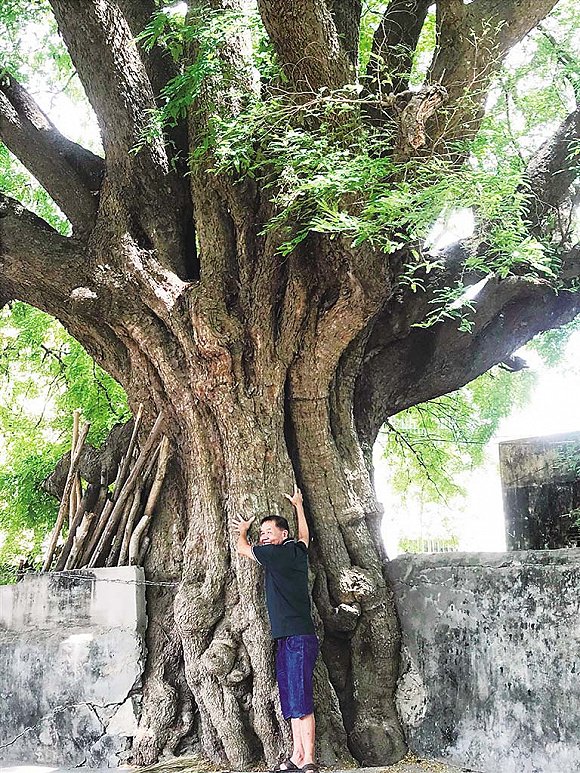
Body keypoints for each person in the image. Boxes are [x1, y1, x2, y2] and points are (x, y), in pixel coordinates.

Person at [235, 486, 319, 773]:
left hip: (296, 637)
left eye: (269, 531)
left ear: (283, 535)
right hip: (289, 637)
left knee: (301, 699)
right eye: (262, 532)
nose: (264, 536)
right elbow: (305, 536)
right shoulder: (298, 551)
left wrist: (243, 530)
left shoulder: (274, 554)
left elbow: (241, 548)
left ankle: (308, 759)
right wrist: (298, 506)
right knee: (293, 699)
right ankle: (297, 756)